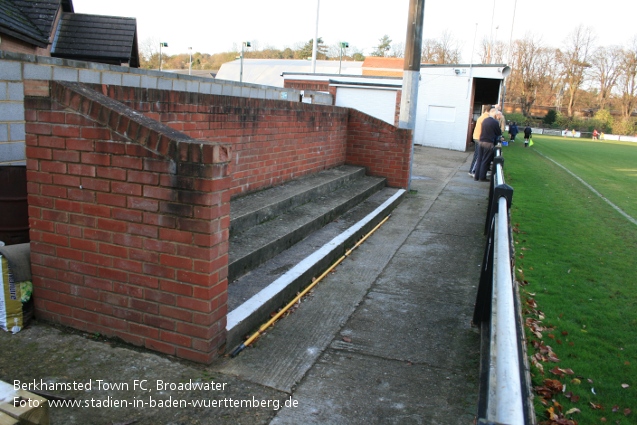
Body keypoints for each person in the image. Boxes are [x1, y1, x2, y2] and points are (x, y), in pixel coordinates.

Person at [474, 108, 502, 182]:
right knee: (485, 160)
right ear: (495, 114)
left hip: (481, 142)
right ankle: (482, 177)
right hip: (488, 143)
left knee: (480, 159)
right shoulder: (495, 122)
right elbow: (499, 132)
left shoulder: (484, 120)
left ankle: (476, 176)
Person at [469, 105, 492, 177]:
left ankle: (477, 170)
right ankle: (472, 171)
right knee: (478, 155)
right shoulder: (486, 118)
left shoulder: (483, 117)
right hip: (480, 138)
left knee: (479, 155)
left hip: (478, 137)